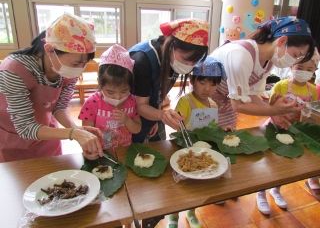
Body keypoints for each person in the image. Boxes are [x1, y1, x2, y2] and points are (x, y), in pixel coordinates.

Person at [0, 13, 104, 162]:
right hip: (14, 142)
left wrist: (77, 129)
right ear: (50, 50)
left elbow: (59, 108)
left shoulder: (67, 71)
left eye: (84, 64)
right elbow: (25, 127)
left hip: (47, 136)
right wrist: (73, 133)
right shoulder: (14, 70)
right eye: (75, 64)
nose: (79, 70)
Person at [209, 16, 315, 130]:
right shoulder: (241, 55)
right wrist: (274, 110)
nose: (294, 61)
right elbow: (238, 104)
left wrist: (274, 113)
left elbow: (251, 94)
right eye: (295, 55)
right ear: (282, 41)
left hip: (227, 104)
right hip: (206, 101)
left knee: (227, 140)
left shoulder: (269, 61)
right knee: (202, 141)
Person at [253, 49, 320, 214]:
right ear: (291, 66)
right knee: (270, 162)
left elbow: (312, 112)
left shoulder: (313, 90)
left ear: (314, 71)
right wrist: (278, 118)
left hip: (296, 130)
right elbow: (270, 108)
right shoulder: (281, 85)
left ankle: (276, 190)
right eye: (300, 67)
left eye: (309, 69)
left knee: (286, 165)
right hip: (275, 128)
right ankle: (261, 192)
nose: (304, 71)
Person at [165, 57, 225, 228]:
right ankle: (173, 216)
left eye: (213, 84)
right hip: (184, 151)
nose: (207, 88)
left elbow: (212, 129)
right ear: (192, 80)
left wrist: (222, 131)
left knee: (196, 186)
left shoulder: (213, 104)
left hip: (202, 154)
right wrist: (179, 121)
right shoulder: (186, 101)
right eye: (202, 82)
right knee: (179, 186)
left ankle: (192, 212)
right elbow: (178, 126)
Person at [129, 19, 209, 144]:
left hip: (151, 113)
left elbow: (159, 93)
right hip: (129, 118)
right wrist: (161, 115)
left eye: (194, 62)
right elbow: (140, 105)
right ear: (171, 45)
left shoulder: (173, 59)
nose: (189, 66)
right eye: (186, 60)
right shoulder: (143, 60)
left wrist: (155, 119)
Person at [78, 44, 141, 158]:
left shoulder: (131, 101)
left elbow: (137, 129)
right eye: (110, 92)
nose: (117, 97)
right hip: (101, 154)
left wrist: (127, 120)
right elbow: (87, 134)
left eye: (124, 91)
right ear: (100, 84)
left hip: (125, 153)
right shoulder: (92, 103)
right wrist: (89, 152)